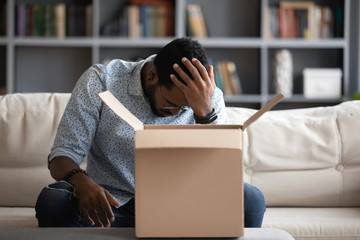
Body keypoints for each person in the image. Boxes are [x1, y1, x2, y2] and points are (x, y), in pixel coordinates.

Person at [35, 37, 266, 228]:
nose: (176, 113)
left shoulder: (209, 96)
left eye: (185, 109)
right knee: (54, 200)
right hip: (112, 207)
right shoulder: (101, 80)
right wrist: (82, 182)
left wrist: (204, 112)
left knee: (251, 199)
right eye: (170, 104)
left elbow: (220, 173)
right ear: (152, 76)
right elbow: (61, 156)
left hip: (182, 206)